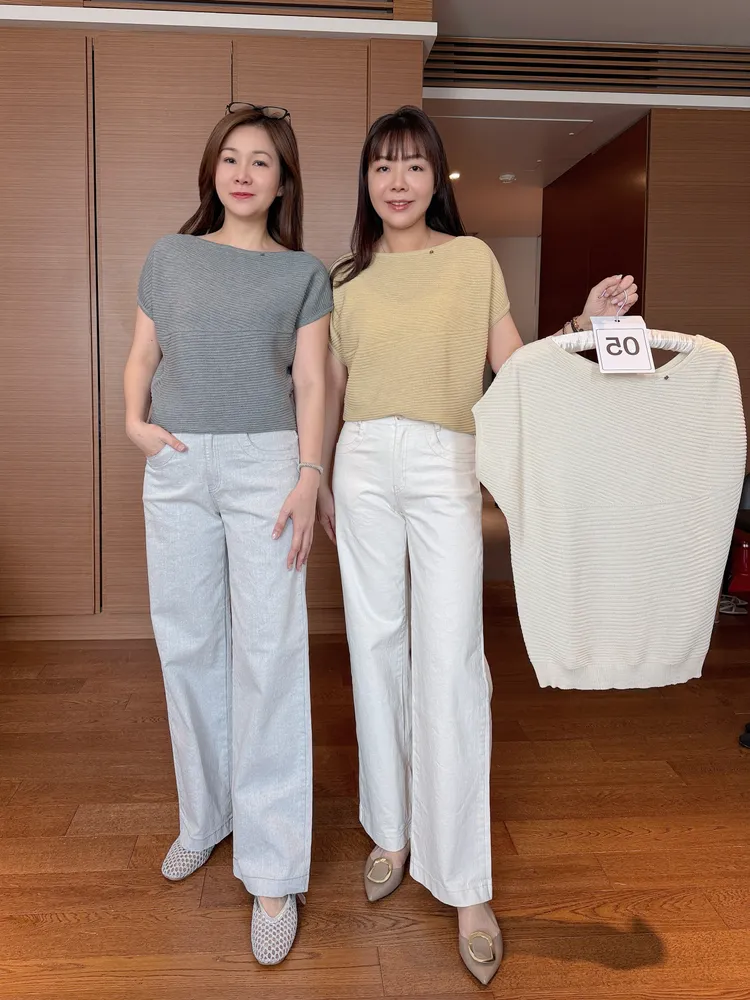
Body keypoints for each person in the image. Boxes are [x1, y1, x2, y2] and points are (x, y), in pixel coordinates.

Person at [317, 105, 637, 985]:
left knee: (452, 660)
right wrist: (317, 473)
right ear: (366, 181)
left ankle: (465, 884)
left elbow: (514, 369)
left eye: (414, 166)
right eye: (383, 166)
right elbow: (327, 390)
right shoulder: (345, 278)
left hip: (443, 461)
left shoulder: (472, 261)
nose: (398, 182)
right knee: (374, 649)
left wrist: (579, 325)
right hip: (360, 463)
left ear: (436, 179)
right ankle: (392, 832)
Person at [123, 103, 331, 966]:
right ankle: (204, 817)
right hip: (176, 464)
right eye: (232, 157)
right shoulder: (169, 256)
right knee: (189, 645)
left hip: (265, 469)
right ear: (213, 169)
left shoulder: (303, 273)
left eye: (262, 162)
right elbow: (143, 356)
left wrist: (309, 476)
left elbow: (313, 383)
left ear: (282, 183)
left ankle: (273, 869)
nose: (244, 173)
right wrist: (133, 424)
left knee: (269, 656)